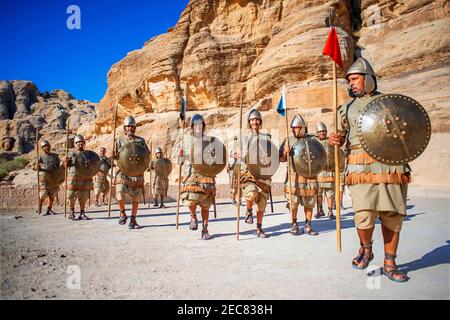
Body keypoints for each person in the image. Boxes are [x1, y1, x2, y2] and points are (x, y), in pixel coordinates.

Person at [328, 57, 410, 282]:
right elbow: (340, 138)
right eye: (349, 80)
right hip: (359, 167)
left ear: (369, 79)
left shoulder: (389, 102)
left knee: (392, 215)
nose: (351, 84)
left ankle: (390, 262)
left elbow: (406, 131)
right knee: (363, 215)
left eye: (355, 79)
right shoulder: (345, 109)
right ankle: (367, 248)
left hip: (390, 165)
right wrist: (335, 138)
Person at [279, 114, 319, 236]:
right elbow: (280, 159)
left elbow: (319, 157)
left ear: (303, 128)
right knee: (293, 202)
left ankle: (308, 225)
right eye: (292, 127)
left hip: (309, 175)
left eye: (296, 127)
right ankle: (294, 224)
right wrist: (285, 152)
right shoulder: (288, 140)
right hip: (293, 175)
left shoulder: (313, 140)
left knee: (309, 202)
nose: (293, 130)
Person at [235, 109, 272, 238]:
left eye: (256, 119)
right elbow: (233, 153)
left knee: (262, 204)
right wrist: (236, 155)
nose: (254, 122)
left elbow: (271, 154)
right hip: (248, 173)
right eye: (252, 120)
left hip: (263, 174)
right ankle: (249, 211)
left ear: (260, 121)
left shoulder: (266, 138)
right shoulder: (243, 138)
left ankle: (259, 228)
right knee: (251, 194)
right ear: (249, 122)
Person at [179, 114, 216, 240]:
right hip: (191, 174)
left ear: (203, 126)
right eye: (196, 125)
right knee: (190, 199)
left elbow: (214, 160)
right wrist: (180, 155)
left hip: (205, 174)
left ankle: (205, 229)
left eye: (200, 124)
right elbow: (179, 162)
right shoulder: (185, 140)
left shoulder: (209, 140)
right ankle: (193, 217)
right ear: (192, 126)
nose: (198, 127)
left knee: (205, 204)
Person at [114, 116, 149, 229]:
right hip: (122, 171)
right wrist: (111, 155)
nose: (130, 128)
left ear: (135, 128)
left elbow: (146, 155)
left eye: (132, 126)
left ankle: (133, 219)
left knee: (135, 197)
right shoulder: (119, 140)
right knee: (119, 192)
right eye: (128, 126)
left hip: (136, 173)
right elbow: (115, 156)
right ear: (125, 128)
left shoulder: (141, 141)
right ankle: (123, 213)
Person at [64, 134, 93, 221]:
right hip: (73, 177)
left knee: (83, 196)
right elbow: (64, 165)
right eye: (78, 142)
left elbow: (93, 165)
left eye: (82, 142)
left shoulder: (87, 154)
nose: (80, 144)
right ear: (75, 144)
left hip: (84, 177)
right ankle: (71, 211)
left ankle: (82, 213)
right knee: (70, 195)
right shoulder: (70, 153)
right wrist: (65, 162)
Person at [33, 140, 60, 215]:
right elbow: (34, 166)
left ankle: (49, 209)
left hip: (53, 177)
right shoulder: (40, 156)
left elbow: (58, 165)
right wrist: (36, 167)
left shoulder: (55, 156)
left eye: (47, 146)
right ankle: (39, 207)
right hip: (43, 177)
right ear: (42, 148)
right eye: (45, 146)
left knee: (52, 193)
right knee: (43, 193)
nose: (46, 147)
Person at [315, 122, 336, 220]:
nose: (322, 133)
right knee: (318, 193)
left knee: (329, 193)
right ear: (317, 133)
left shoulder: (330, 142)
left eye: (323, 131)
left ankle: (330, 211)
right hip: (318, 172)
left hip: (329, 171)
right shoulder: (315, 142)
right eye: (320, 132)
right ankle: (320, 210)